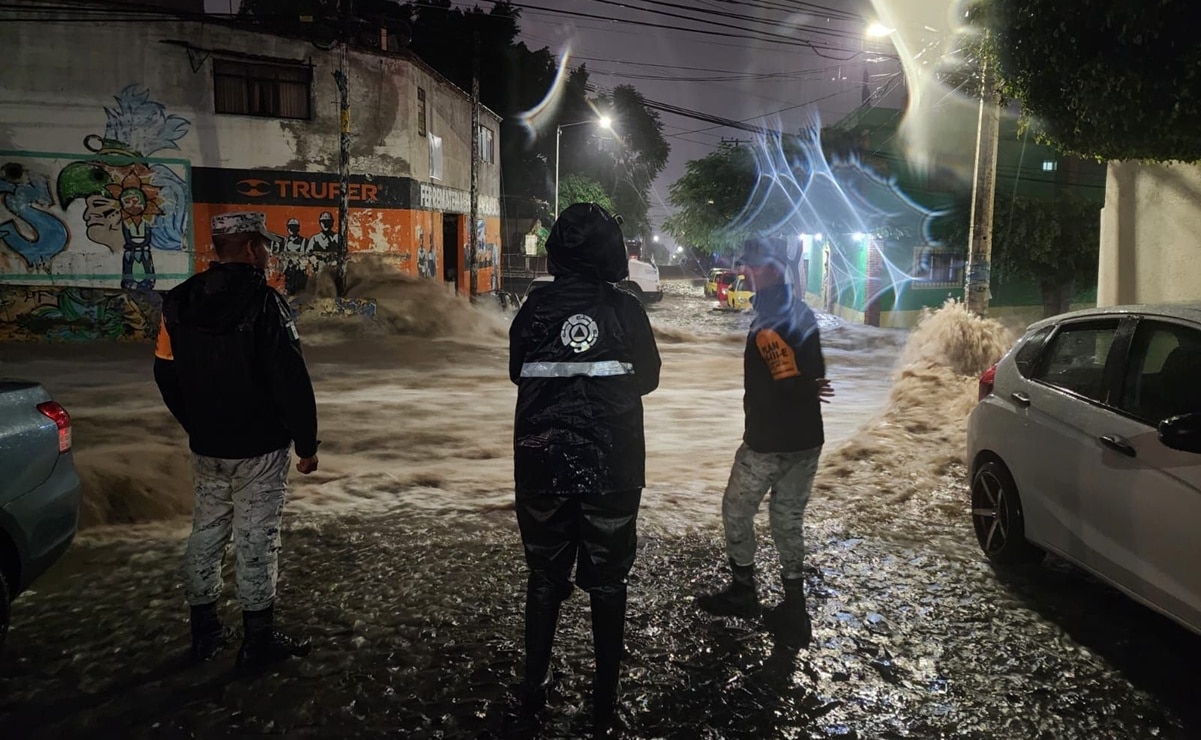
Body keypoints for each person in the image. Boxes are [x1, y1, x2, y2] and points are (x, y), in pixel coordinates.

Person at [507, 202, 661, 734]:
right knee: (609, 580)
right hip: (612, 464)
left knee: (545, 574)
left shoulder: (534, 308)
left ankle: (533, 687)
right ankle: (604, 701)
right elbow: (650, 380)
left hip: (541, 460)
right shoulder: (627, 311)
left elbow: (515, 373)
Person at [154, 211, 320, 670]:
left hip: (208, 445)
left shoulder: (177, 303)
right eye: (264, 246)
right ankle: (257, 641)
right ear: (250, 248)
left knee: (206, 531)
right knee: (256, 538)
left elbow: (164, 372)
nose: (267, 254)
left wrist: (195, 422)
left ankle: (204, 630)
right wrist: (306, 444)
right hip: (261, 448)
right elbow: (290, 380)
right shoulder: (267, 305)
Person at [696, 236, 833, 649]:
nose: (746, 274)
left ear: (770, 270)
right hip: (808, 439)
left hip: (770, 440)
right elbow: (810, 372)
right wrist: (811, 385)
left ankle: (744, 591)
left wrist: (803, 385)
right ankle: (794, 608)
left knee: (736, 510)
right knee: (787, 519)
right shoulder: (802, 310)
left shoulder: (769, 321)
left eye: (752, 268)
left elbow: (786, 378)